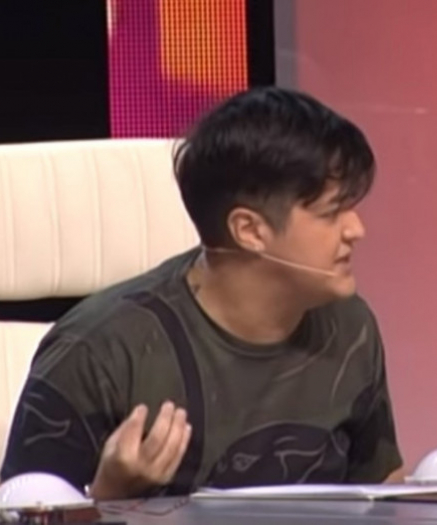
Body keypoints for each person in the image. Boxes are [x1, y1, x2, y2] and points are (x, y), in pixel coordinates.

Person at [1, 87, 403, 499]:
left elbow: (381, 494)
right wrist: (111, 495)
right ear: (249, 230)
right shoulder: (97, 352)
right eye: (331, 213)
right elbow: (25, 506)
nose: (356, 230)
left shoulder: (349, 325)